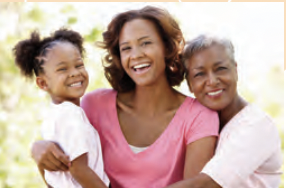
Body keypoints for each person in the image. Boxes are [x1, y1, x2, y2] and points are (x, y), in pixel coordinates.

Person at [30, 6, 220, 188]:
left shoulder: (199, 117)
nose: (136, 55)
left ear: (166, 48)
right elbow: (66, 177)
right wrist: (39, 151)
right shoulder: (94, 106)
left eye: (146, 43)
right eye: (126, 48)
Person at [166, 35, 283, 188]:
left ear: (235, 70)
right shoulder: (199, 124)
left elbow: (206, 184)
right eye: (200, 74)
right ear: (189, 84)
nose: (212, 81)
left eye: (220, 69)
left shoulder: (256, 125)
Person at [13, 28, 109, 188]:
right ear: (43, 83)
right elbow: (78, 169)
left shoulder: (52, 118)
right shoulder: (71, 113)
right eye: (63, 69)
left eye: (79, 65)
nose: (74, 73)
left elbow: (54, 177)